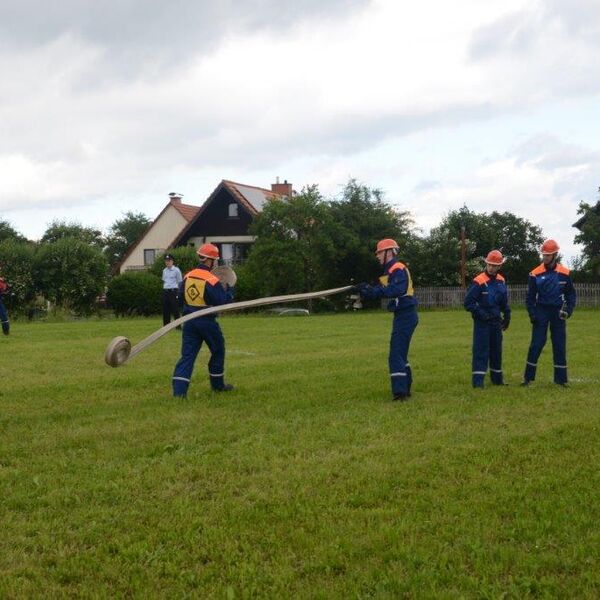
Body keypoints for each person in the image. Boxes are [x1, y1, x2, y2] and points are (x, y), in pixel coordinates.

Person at [355, 238, 418, 401]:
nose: (377, 256)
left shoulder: (398, 268)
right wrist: (365, 290)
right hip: (402, 315)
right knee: (400, 353)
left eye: (379, 252)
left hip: (407, 314)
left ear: (389, 252)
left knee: (396, 353)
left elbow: (395, 289)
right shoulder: (388, 271)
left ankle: (400, 393)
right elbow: (381, 290)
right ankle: (405, 387)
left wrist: (372, 291)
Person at [172, 243, 234, 398]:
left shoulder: (188, 276)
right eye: (215, 260)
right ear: (210, 261)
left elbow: (180, 298)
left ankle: (179, 393)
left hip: (190, 321)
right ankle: (218, 385)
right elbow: (222, 302)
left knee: (187, 356)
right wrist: (230, 290)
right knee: (218, 350)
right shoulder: (211, 280)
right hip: (206, 321)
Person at [522, 239, 576, 387]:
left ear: (555, 255)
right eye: (544, 254)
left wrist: (568, 310)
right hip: (541, 311)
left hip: (558, 312)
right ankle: (527, 378)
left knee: (559, 344)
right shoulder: (534, 274)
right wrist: (532, 314)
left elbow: (571, 294)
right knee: (536, 344)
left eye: (548, 255)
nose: (545, 257)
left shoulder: (565, 273)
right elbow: (530, 298)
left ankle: (561, 380)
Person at [464, 250, 511, 388]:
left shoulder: (501, 281)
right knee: (481, 351)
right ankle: (478, 382)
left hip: (496, 322)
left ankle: (497, 380)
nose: (491, 267)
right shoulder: (478, 281)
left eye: (494, 265)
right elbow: (468, 303)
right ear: (486, 264)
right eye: (489, 264)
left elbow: (503, 301)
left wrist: (507, 314)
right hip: (482, 323)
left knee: (496, 351)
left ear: (499, 266)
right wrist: (481, 314)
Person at [161, 253, 183, 327]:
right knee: (165, 309)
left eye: (169, 260)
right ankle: (166, 326)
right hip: (166, 291)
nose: (167, 262)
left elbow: (180, 282)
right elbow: (164, 281)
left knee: (175, 309)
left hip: (173, 291)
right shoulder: (164, 270)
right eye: (166, 261)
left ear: (172, 261)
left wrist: (178, 293)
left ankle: (178, 326)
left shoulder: (176, 270)